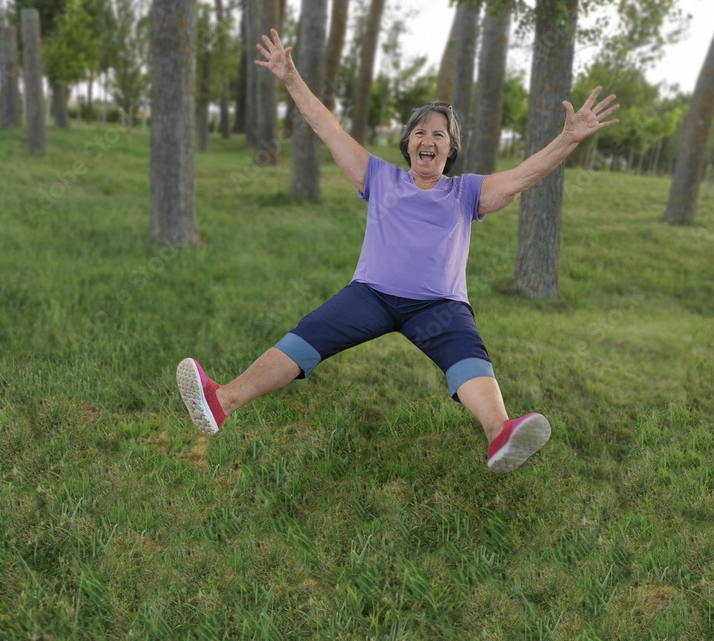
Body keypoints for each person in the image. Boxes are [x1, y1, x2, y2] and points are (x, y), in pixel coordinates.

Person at [177, 29, 619, 473]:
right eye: (420, 133)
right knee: (308, 334)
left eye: (440, 135)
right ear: (408, 143)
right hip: (370, 294)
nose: (429, 140)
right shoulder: (379, 177)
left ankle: (500, 433)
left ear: (450, 149)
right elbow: (326, 126)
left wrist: (568, 139)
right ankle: (221, 401)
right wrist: (290, 77)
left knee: (467, 353)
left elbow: (523, 175)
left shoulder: (466, 191)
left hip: (440, 305)